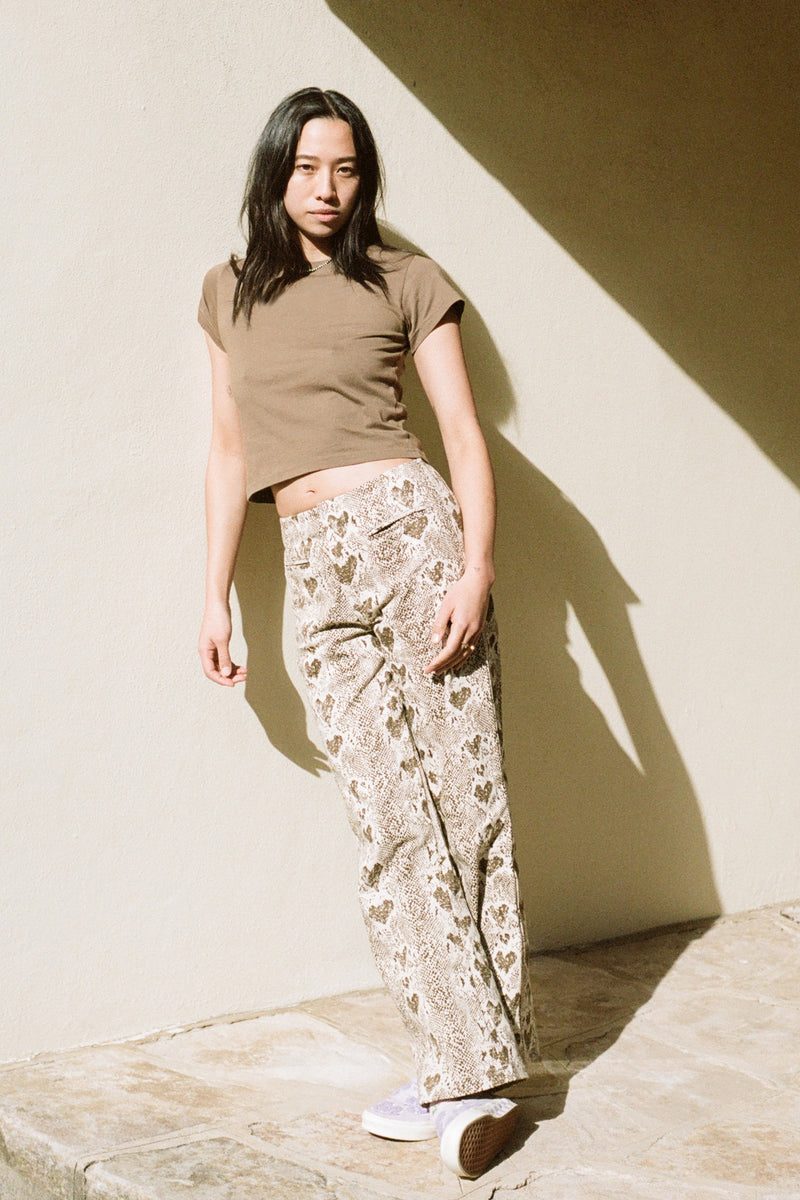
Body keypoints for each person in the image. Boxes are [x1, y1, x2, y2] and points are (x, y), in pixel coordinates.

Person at [197, 86, 538, 1180]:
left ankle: (461, 1075)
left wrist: (475, 566)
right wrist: (213, 593)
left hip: (411, 536)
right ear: (273, 173)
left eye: (344, 169)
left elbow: (460, 433)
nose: (326, 188)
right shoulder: (224, 295)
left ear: (363, 176)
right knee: (388, 816)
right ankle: (467, 1073)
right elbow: (224, 453)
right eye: (306, 168)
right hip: (310, 564)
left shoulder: (404, 280)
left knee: (463, 796)